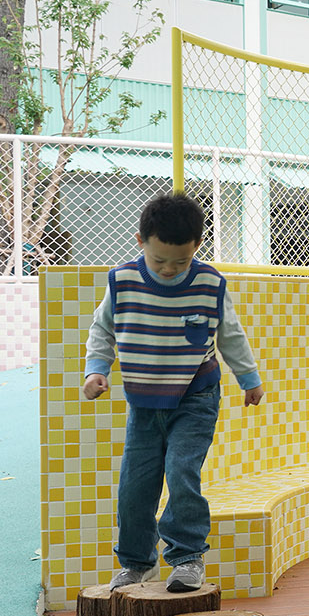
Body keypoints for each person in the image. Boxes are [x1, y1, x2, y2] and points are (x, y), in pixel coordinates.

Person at [82, 192, 265, 594]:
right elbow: (102, 330)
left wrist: (248, 377)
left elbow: (230, 334)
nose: (168, 270)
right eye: (158, 260)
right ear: (140, 242)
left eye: (179, 262)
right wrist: (96, 371)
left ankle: (186, 558)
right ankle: (135, 563)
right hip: (144, 402)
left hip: (196, 395)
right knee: (135, 485)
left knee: (182, 471)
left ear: (196, 247)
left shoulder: (209, 283)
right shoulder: (123, 282)